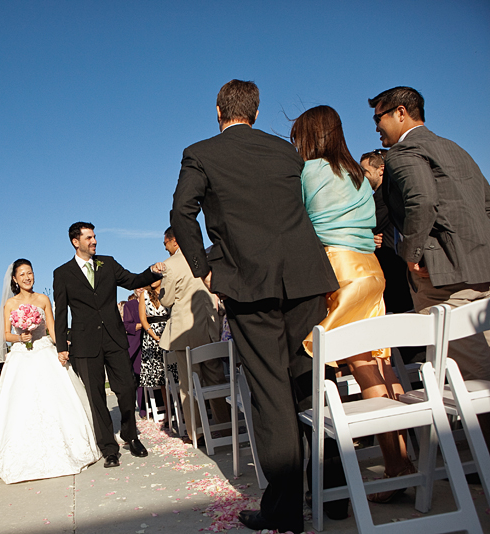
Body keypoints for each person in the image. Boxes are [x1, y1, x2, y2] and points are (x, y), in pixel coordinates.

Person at [171, 81, 339, 533]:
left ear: (219, 110)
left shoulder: (200, 152)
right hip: (305, 278)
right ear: (257, 112)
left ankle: (284, 511)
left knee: (271, 398)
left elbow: (180, 213)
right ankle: (335, 492)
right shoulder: (286, 153)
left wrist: (206, 270)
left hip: (248, 283)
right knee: (311, 382)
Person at [291, 105, 414, 503]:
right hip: (370, 270)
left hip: (339, 268)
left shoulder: (308, 172)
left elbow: (301, 225)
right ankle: (402, 458)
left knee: (361, 366)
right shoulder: (358, 176)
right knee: (380, 362)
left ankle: (397, 468)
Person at [369, 86, 490, 386]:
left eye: (378, 118)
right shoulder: (455, 149)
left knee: (472, 380)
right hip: (481, 271)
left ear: (401, 112)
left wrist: (412, 256)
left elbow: (421, 200)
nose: (376, 128)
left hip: (443, 282)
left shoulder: (402, 152)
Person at [53, 222, 165, 468]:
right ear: (76, 241)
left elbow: (134, 279)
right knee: (96, 397)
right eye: (89, 238)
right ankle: (108, 448)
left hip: (114, 337)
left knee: (126, 388)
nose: (94, 241)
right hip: (84, 343)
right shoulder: (62, 273)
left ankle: (130, 436)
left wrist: (153, 271)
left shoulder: (109, 263)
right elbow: (60, 312)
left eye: (94, 237)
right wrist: (62, 345)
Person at [0, 259, 101, 483]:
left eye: (30, 273)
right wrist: (21, 337)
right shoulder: (10, 304)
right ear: (15, 279)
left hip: (44, 350)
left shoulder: (43, 299)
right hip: (21, 355)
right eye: (23, 274)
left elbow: (53, 328)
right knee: (22, 404)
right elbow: (5, 334)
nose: (28, 277)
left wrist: (62, 349)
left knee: (56, 399)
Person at [158, 227, 229, 443]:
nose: (166, 249)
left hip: (184, 331)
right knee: (215, 378)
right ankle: (225, 425)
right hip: (209, 326)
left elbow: (166, 300)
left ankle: (196, 432)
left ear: (175, 241)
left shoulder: (170, 265)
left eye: (166, 244)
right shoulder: (204, 257)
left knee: (188, 385)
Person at [360, 149, 415, 318]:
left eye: (365, 172)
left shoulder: (385, 195)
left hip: (394, 270)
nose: (362, 177)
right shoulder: (387, 195)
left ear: (381, 169)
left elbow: (368, 225)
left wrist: (367, 237)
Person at [137, 279, 178, 420]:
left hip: (170, 332)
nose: (153, 280)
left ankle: (182, 411)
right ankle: (168, 413)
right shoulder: (145, 294)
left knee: (176, 374)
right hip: (152, 336)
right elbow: (143, 318)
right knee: (161, 378)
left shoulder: (168, 290)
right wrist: (154, 336)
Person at [122, 288, 145, 417]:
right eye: (137, 287)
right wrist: (143, 323)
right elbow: (128, 326)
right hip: (136, 343)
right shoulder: (130, 305)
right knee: (139, 377)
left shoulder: (153, 301)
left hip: (154, 340)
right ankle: (143, 409)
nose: (140, 289)